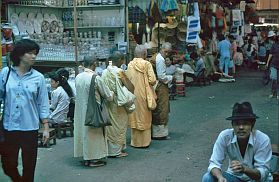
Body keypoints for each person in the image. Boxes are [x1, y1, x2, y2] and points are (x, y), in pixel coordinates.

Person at [0, 39, 49, 182]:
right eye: (30, 53)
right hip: (9, 127)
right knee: (8, 164)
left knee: (29, 165)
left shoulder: (38, 78)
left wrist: (45, 127)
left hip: (30, 127)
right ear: (20, 54)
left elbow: (43, 103)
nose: (34, 56)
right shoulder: (6, 73)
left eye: (35, 54)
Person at [202, 102, 272, 182]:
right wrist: (220, 177)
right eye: (237, 124)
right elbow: (214, 163)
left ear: (252, 124)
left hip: (257, 180)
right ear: (232, 125)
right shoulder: (225, 136)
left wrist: (244, 169)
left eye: (245, 124)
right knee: (208, 178)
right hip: (235, 177)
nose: (241, 127)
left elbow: (262, 174)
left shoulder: (262, 139)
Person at [74, 56, 113, 167]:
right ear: (94, 64)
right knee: (94, 135)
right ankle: (93, 159)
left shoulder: (78, 77)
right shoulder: (95, 78)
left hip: (80, 111)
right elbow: (108, 95)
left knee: (83, 133)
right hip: (93, 111)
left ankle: (86, 157)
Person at [102, 51, 134, 157]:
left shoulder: (105, 71)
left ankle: (110, 149)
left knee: (110, 125)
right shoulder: (120, 72)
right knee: (120, 124)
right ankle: (116, 151)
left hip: (108, 101)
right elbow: (130, 87)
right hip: (118, 102)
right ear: (120, 60)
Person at [126, 44, 156, 148]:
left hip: (133, 94)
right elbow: (152, 80)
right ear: (144, 53)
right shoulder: (146, 64)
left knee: (135, 116)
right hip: (144, 94)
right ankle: (144, 142)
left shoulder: (130, 64)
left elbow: (128, 80)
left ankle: (135, 142)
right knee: (145, 116)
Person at [152, 42, 173, 140]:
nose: (167, 54)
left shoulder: (158, 57)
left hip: (157, 85)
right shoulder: (160, 59)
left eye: (168, 52)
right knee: (161, 108)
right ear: (163, 50)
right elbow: (161, 76)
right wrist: (170, 78)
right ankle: (160, 134)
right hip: (160, 85)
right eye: (166, 52)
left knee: (159, 107)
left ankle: (158, 132)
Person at [266, 33, 279, 99]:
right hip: (274, 64)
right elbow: (270, 54)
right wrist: (267, 63)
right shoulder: (274, 45)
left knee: (277, 80)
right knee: (274, 79)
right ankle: (272, 92)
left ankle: (277, 94)